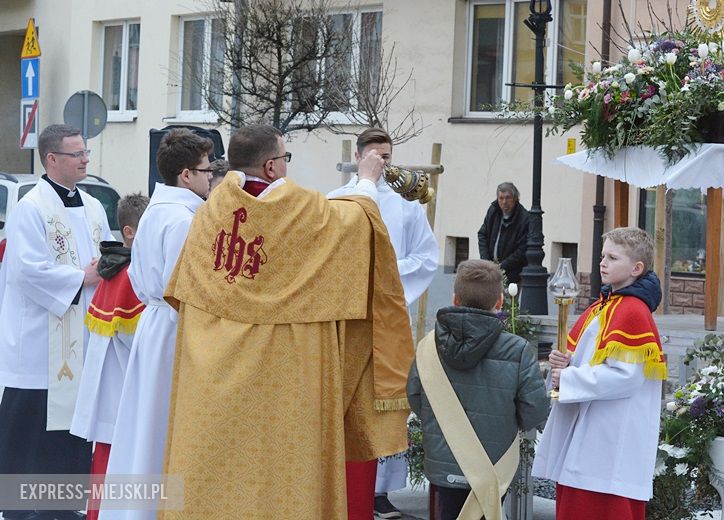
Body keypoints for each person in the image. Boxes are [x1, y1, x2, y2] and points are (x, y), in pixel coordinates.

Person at [159, 124, 414, 519]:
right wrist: (365, 180)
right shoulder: (302, 213)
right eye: (286, 158)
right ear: (273, 166)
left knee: (216, 472)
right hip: (284, 377)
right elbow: (356, 222)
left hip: (215, 376)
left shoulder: (211, 211)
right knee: (284, 474)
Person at [0, 124, 113, 520]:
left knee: (70, 441)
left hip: (81, 340)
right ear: (51, 160)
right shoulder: (31, 208)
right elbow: (26, 272)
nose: (85, 159)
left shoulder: (95, 206)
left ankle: (61, 511)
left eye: (86, 153)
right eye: (76, 154)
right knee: (28, 441)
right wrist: (82, 278)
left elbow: (104, 255)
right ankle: (18, 512)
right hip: (37, 351)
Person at [102, 129, 213, 520]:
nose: (210, 177)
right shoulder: (184, 220)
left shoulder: (155, 212)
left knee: (143, 422)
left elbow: (138, 277)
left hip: (155, 325)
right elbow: (184, 289)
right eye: (205, 170)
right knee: (160, 424)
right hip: (174, 328)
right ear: (186, 175)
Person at [328, 127, 439, 519]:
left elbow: (426, 258)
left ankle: (382, 490)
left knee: (386, 398)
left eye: (388, 156)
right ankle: (339, 485)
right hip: (348, 317)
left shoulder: (408, 205)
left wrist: (385, 278)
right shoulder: (336, 200)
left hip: (388, 313)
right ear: (359, 157)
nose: (382, 163)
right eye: (375, 156)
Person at [531, 227, 667, 520]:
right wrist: (565, 363)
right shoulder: (603, 306)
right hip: (588, 429)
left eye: (612, 258)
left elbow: (627, 377)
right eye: (603, 256)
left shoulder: (632, 311)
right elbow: (592, 358)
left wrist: (568, 379)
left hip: (609, 437)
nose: (602, 263)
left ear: (636, 268)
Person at [406, 259, 549, 520]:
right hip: (495, 465)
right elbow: (535, 411)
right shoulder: (517, 350)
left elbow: (416, 398)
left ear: (455, 299)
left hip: (443, 459)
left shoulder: (429, 346)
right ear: (499, 302)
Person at [70, 193, 149, 520]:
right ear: (130, 232)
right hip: (124, 393)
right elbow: (138, 342)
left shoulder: (114, 268)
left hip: (111, 396)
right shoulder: (131, 276)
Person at [477, 182, 529, 284]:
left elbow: (522, 249)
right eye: (501, 198)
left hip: (513, 273)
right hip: (491, 270)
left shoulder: (524, 218)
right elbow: (482, 234)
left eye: (508, 198)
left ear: (515, 199)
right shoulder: (493, 210)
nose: (504, 202)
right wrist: (487, 262)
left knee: (510, 299)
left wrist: (501, 267)